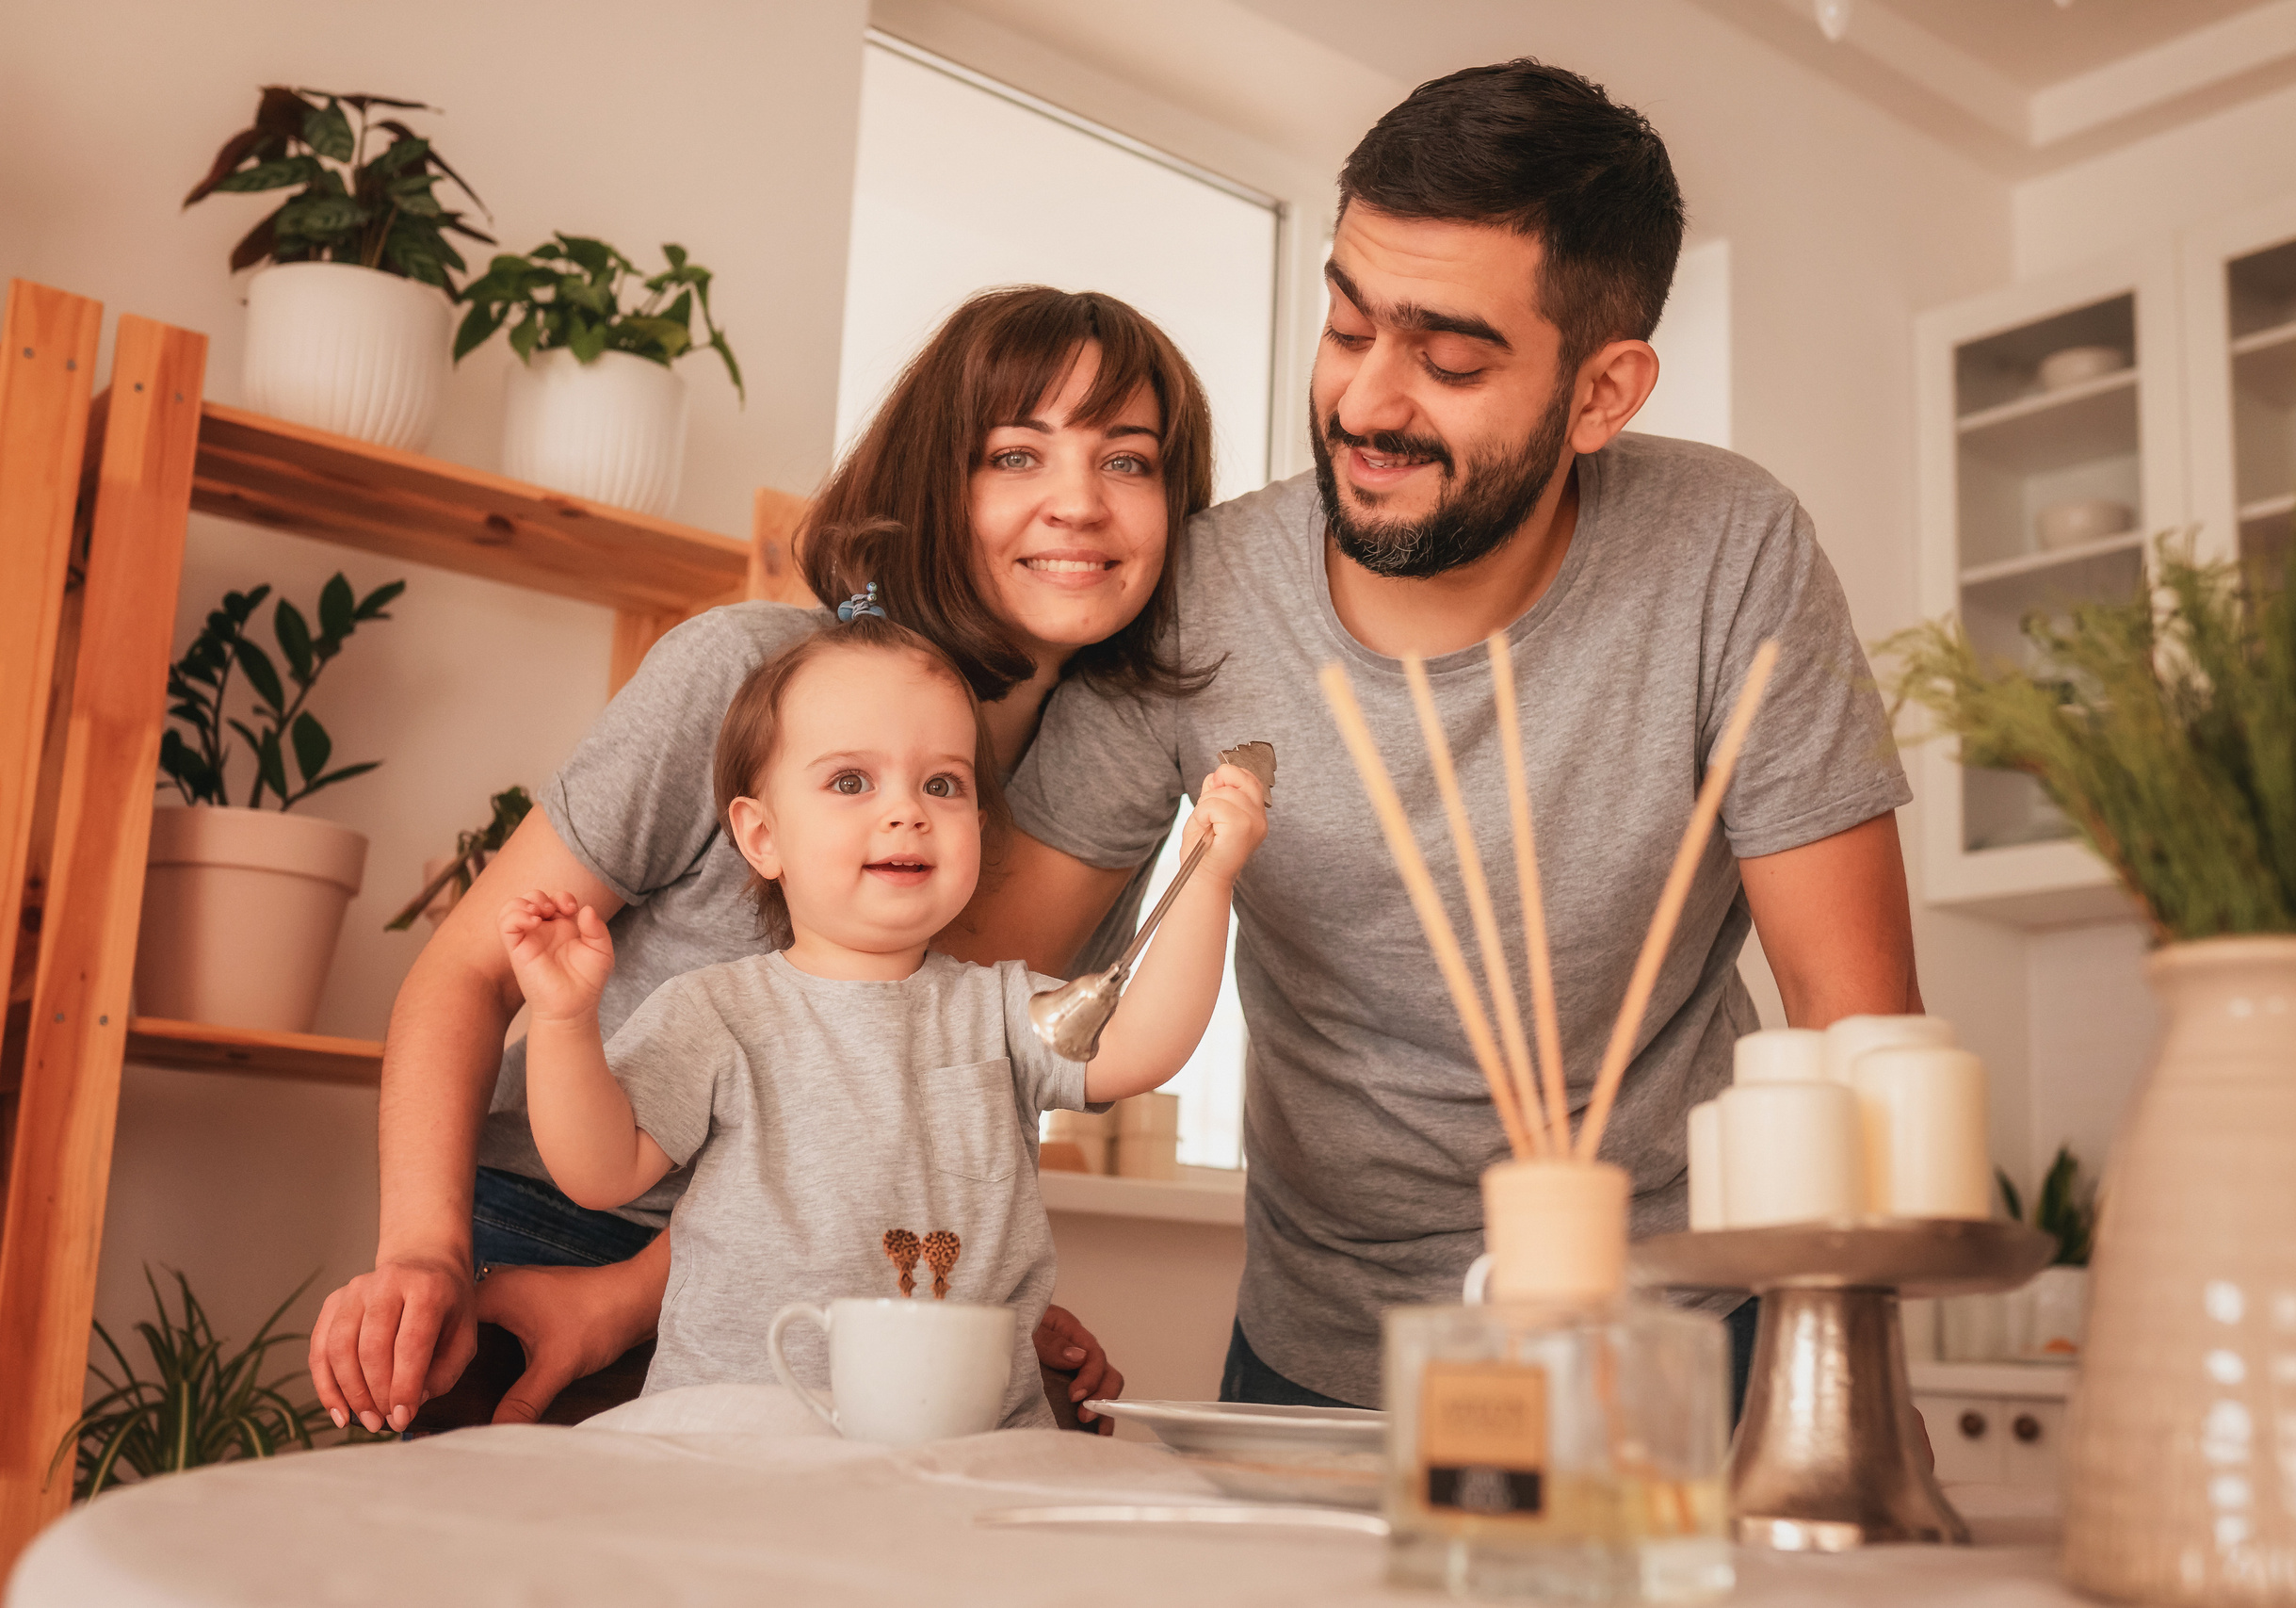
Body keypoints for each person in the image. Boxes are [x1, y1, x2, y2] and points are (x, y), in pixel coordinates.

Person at [947, 60, 1920, 1410]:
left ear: (1603, 393)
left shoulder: (1728, 550)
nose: (1367, 404)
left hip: (1682, 1333)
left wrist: (1856, 1400)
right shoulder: (1200, 593)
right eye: (1347, 328)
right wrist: (967, 1279)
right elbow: (965, 1006)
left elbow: (1854, 1022)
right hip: (1321, 1343)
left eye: (1450, 358)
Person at [308, 286, 1219, 1433]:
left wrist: (964, 1294)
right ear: (936, 484)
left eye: (1128, 463)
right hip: (559, 1242)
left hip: (814, 1290)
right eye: (1016, 454)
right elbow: (470, 969)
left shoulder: (1101, 785)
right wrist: (427, 1257)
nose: (1078, 504)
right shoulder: (745, 673)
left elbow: (925, 1088)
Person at [497, 613, 1266, 1419]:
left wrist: (1206, 880)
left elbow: (1143, 1044)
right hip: (745, 1438)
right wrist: (562, 1020)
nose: (907, 811)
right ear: (762, 836)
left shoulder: (1001, 1011)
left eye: (943, 784)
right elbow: (598, 1171)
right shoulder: (716, 1011)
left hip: (969, 1442)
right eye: (851, 782)